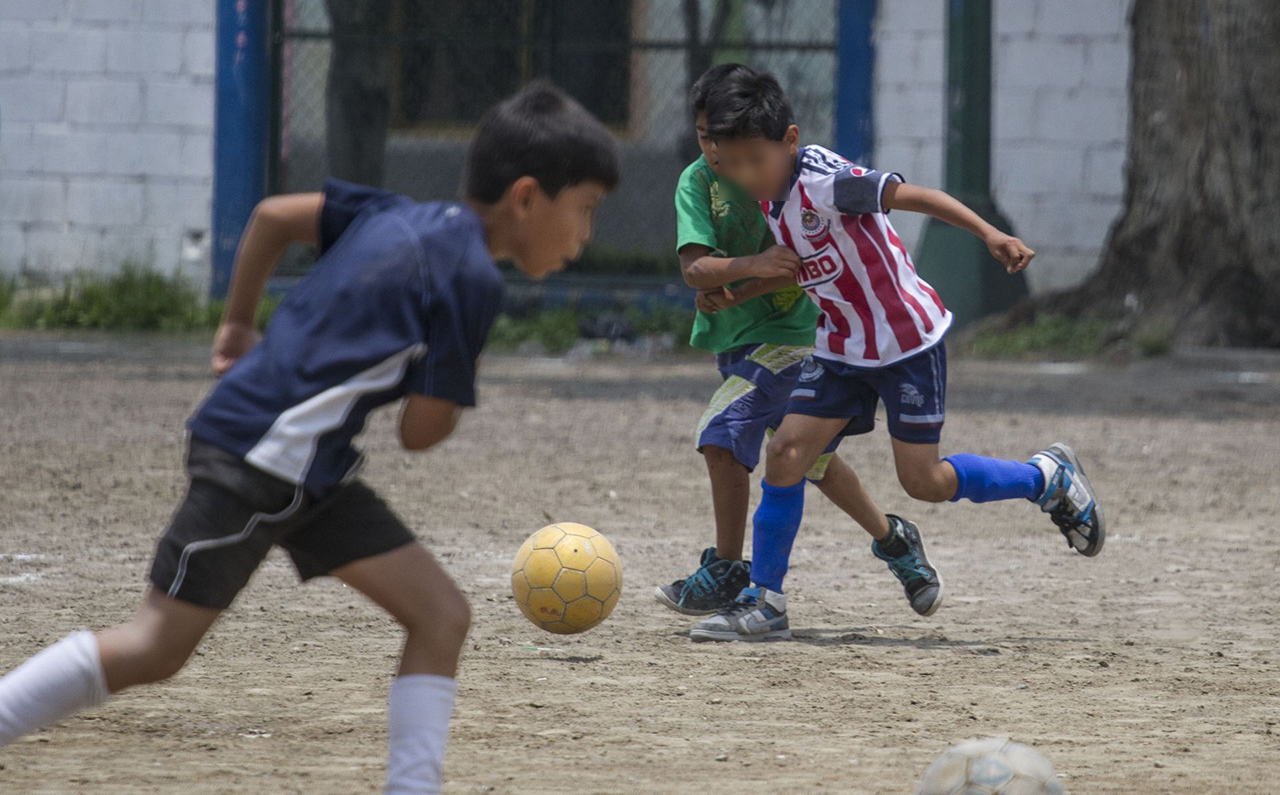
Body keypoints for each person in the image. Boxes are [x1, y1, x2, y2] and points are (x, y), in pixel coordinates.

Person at [0, 81, 619, 794]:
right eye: (586, 210)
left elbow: (271, 217)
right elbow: (422, 433)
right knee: (154, 646)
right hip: (264, 459)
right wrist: (463, 367)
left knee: (440, 614)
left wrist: (236, 322)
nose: (586, 235)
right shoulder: (472, 280)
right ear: (526, 198)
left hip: (309, 465)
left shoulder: (396, 213)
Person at [689, 67, 1104, 642]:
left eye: (753, 160)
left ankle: (1046, 478)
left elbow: (917, 197)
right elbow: (809, 264)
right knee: (786, 452)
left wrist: (989, 235)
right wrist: (741, 288)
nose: (743, 175)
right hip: (841, 348)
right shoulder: (771, 195)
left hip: (906, 343)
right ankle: (766, 601)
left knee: (925, 481)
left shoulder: (828, 183)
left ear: (789, 140)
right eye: (731, 164)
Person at [657, 64, 938, 626]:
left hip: (797, 337)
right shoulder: (698, 183)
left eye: (725, 137)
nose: (718, 152)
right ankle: (894, 540)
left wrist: (746, 277)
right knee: (809, 461)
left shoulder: (777, 173)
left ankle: (732, 568)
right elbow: (696, 268)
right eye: (706, 138)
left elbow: (806, 262)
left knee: (722, 431)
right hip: (736, 341)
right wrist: (737, 278)